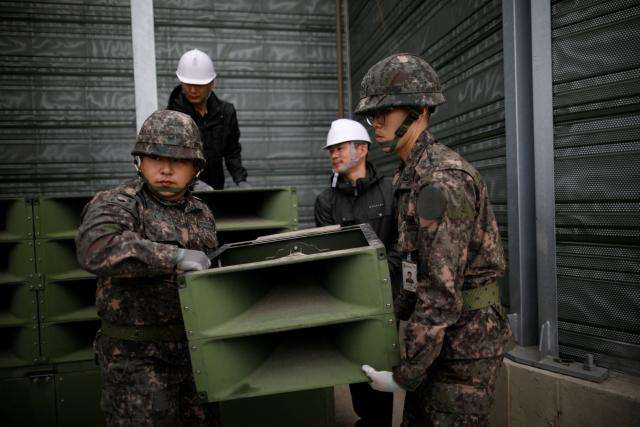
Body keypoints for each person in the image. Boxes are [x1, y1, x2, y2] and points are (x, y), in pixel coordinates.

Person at [356, 54, 513, 426]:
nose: (375, 123)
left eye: (386, 112)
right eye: (371, 115)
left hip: (463, 348)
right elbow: (415, 272)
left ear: (419, 112)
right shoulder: (411, 175)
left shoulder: (441, 181)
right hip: (437, 343)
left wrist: (405, 375)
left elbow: (440, 294)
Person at [76, 110, 220, 426]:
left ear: (196, 167)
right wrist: (175, 258)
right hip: (136, 364)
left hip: (194, 358)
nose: (166, 168)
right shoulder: (118, 202)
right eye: (155, 157)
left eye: (179, 160)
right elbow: (95, 248)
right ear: (139, 160)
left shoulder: (200, 212)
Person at [314, 118, 400, 427]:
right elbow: (328, 254)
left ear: (362, 149)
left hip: (388, 298)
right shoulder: (326, 202)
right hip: (349, 302)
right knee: (359, 375)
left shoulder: (390, 190)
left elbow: (401, 243)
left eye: (339, 148)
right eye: (331, 151)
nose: (333, 155)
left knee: (383, 374)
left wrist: (381, 276)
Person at [167, 48, 248, 189]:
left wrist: (241, 180)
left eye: (199, 85)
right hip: (182, 194)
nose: (192, 90)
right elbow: (169, 158)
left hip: (215, 188)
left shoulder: (226, 113)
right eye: (188, 84)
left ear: (212, 83)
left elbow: (232, 151)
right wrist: (193, 182)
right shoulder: (171, 116)